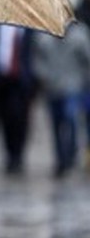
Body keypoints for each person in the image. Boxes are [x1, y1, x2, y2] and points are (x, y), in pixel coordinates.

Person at [32, 21, 90, 177]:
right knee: (56, 124)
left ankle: (69, 154)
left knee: (70, 119)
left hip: (72, 87)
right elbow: (38, 61)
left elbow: (87, 60)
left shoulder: (80, 35)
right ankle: (60, 158)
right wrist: (44, 76)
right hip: (53, 89)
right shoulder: (44, 37)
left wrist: (84, 81)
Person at [0, 24, 37, 175]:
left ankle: (17, 154)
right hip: (1, 80)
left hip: (22, 82)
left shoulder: (29, 31)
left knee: (20, 118)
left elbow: (34, 55)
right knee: (6, 119)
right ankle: (10, 154)